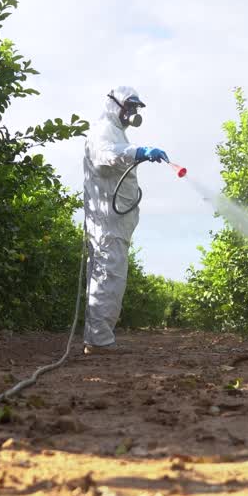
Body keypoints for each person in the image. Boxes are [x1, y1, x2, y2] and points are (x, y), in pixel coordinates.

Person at [81, 85, 168, 354]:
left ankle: (99, 338)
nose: (131, 113)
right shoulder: (102, 130)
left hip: (115, 223)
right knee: (108, 276)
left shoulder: (117, 132)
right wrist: (137, 152)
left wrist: (136, 153)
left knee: (111, 276)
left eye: (134, 109)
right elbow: (105, 157)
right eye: (128, 107)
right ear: (114, 105)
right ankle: (99, 341)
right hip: (107, 222)